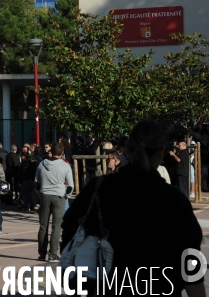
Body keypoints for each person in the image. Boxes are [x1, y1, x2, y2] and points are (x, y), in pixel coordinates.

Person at [62, 120, 205, 297]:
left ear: (127, 150)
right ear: (161, 153)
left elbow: (69, 227)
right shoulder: (174, 200)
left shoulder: (98, 189)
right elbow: (191, 264)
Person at [34, 143, 73, 262]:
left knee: (43, 226)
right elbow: (70, 186)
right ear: (62, 153)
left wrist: (40, 194)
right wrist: (66, 195)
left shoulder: (42, 164)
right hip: (59, 196)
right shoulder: (65, 166)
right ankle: (52, 254)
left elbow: (36, 182)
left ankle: (41, 253)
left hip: (45, 195)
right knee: (56, 226)